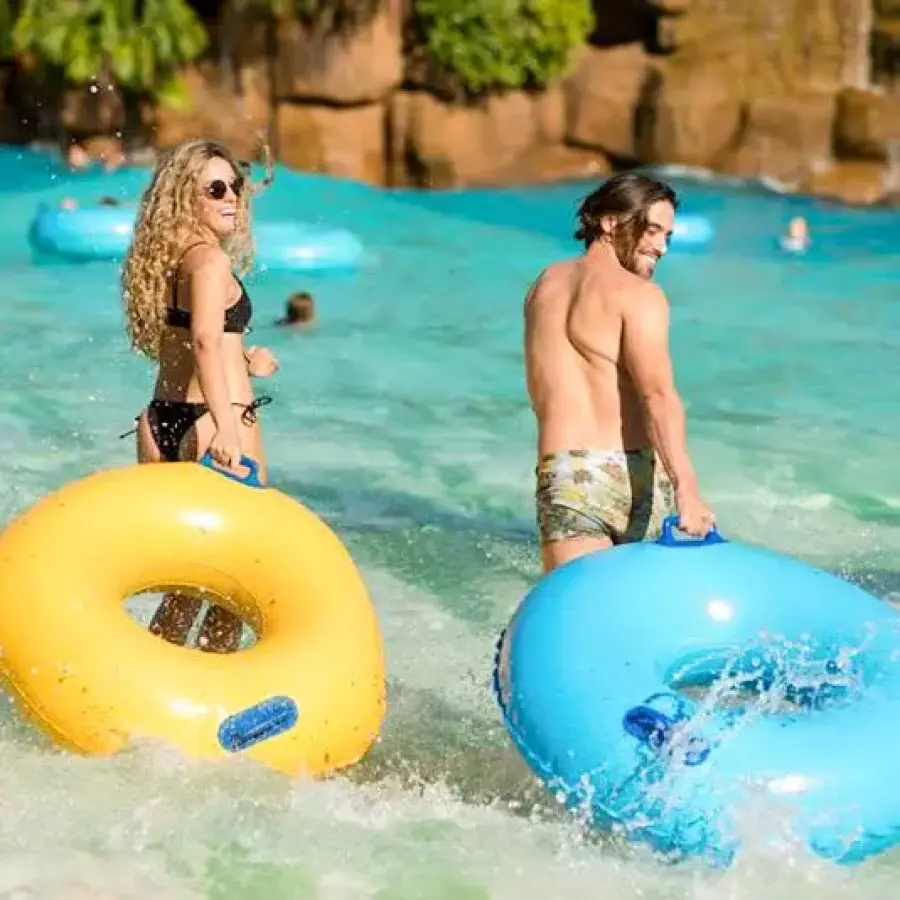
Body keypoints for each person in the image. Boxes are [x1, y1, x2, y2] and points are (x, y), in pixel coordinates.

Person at [121, 139, 279, 652]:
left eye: (234, 185)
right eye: (216, 189)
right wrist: (229, 428)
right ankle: (214, 695)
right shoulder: (210, 262)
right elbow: (208, 341)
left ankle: (145, 700)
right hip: (216, 423)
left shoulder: (170, 259)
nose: (232, 196)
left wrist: (245, 358)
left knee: (185, 588)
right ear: (186, 197)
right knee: (233, 583)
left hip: (160, 422)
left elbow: (192, 343)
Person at [524, 172, 715, 574]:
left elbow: (540, 390)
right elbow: (657, 397)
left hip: (564, 475)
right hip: (629, 474)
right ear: (610, 222)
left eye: (668, 236)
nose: (661, 248)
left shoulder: (544, 286)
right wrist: (688, 489)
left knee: (579, 615)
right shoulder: (640, 295)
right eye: (652, 231)